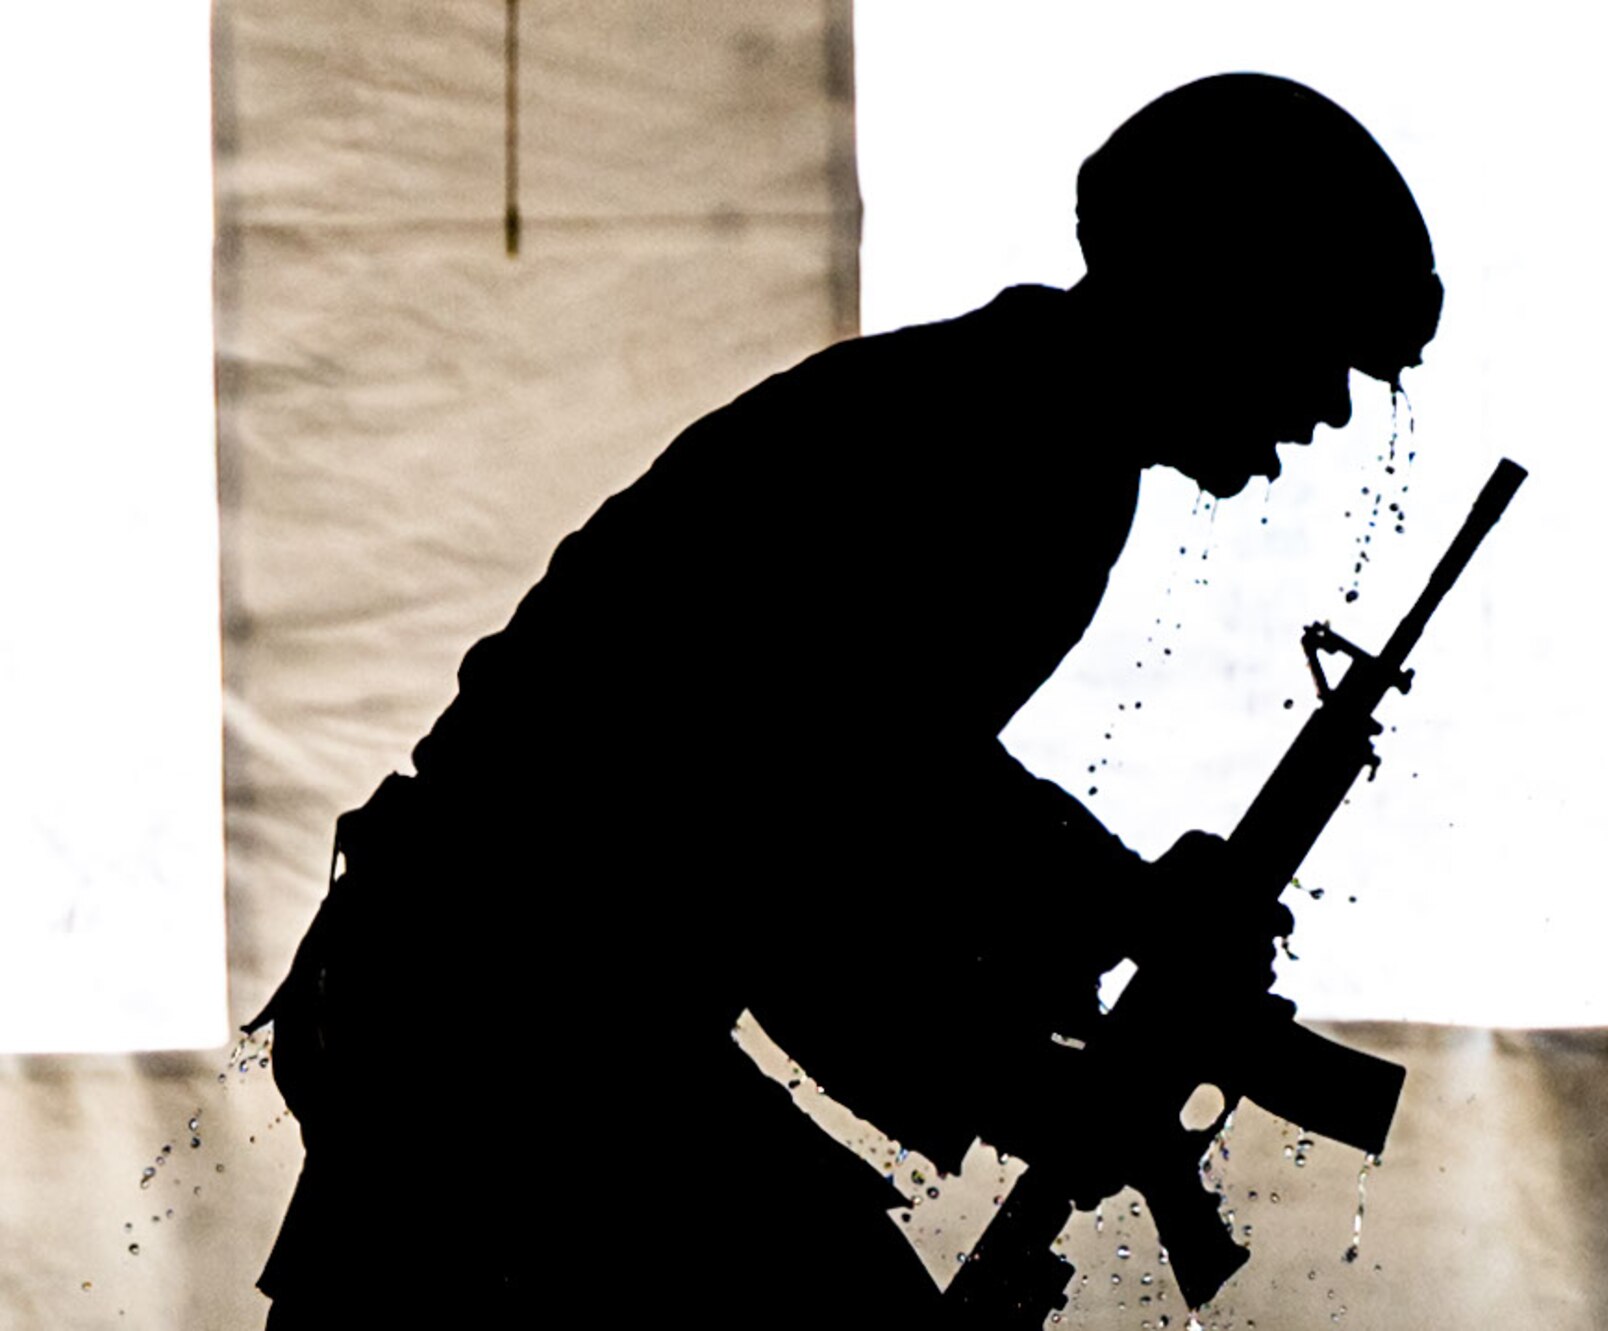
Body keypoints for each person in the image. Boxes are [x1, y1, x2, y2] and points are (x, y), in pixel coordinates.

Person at [253, 72, 1442, 1327]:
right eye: (1319, 351)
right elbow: (791, 830)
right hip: (499, 1016)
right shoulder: (1011, 456)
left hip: (493, 1004)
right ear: (1218, 289)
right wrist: (1024, 1060)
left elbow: (883, 784)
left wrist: (1116, 906)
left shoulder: (1015, 429)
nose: (1324, 410)